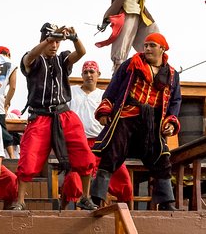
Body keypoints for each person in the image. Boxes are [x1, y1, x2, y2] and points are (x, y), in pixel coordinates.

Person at [90, 33, 181, 211]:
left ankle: (166, 203)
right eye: (145, 45)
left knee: (162, 158)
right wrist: (104, 111)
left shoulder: (171, 74)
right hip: (127, 116)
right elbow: (113, 89)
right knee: (111, 154)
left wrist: (171, 121)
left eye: (152, 45)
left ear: (162, 48)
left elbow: (175, 100)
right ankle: (95, 199)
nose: (147, 48)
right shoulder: (131, 65)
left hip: (153, 122)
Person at [12, 22, 96, 211]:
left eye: (58, 43)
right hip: (40, 115)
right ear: (44, 40)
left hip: (63, 113)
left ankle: (85, 196)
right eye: (51, 42)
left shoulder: (62, 60)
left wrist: (74, 38)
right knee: (29, 157)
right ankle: (20, 201)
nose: (55, 46)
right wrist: (51, 38)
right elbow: (31, 56)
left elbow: (81, 53)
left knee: (83, 152)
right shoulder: (32, 59)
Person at [60, 61, 132, 208]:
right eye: (85, 72)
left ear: (98, 74)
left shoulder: (104, 95)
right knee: (73, 180)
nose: (89, 75)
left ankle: (128, 212)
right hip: (78, 143)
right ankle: (64, 211)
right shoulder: (71, 92)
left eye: (92, 72)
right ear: (81, 75)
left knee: (122, 175)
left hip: (102, 143)